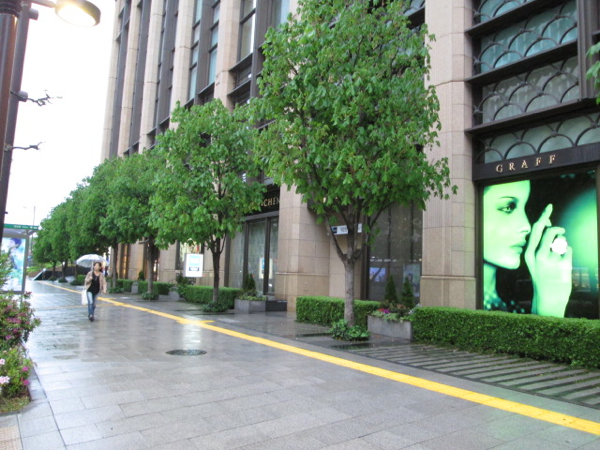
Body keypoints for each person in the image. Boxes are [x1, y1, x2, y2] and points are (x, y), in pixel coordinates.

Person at [483, 180, 573, 317]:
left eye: (524, 208)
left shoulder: (510, 305)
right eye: (508, 207)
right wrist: (550, 308)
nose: (526, 226)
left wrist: (546, 301)